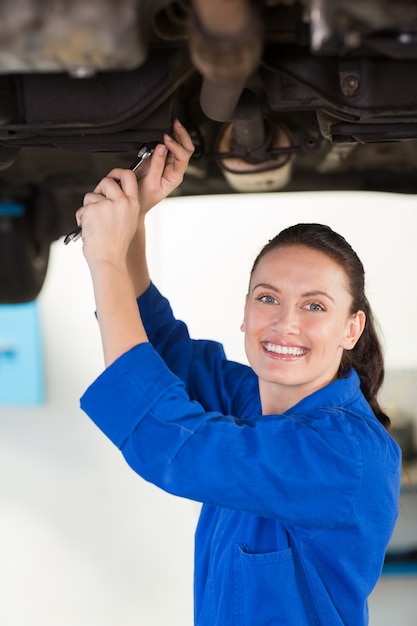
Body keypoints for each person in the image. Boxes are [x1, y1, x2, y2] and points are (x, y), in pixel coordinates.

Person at [76, 119, 401, 626]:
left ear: (351, 328)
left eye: (315, 306)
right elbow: (164, 352)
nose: (285, 323)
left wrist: (105, 260)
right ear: (246, 312)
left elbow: (176, 446)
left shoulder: (344, 454)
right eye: (268, 298)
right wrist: (134, 222)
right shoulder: (257, 403)